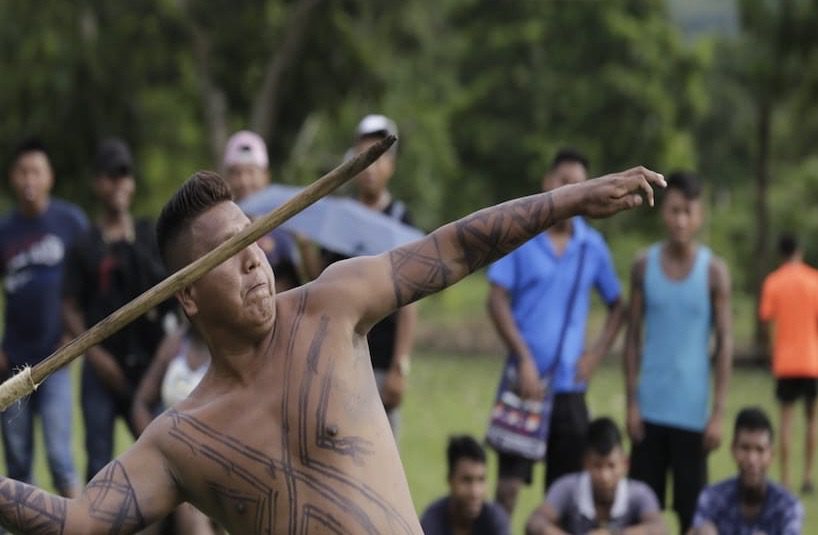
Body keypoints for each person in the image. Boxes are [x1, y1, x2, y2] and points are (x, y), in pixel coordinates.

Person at [0, 165, 664, 533]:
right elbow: (79, 523)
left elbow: (456, 247)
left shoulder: (333, 302)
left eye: (254, 239)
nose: (257, 261)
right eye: (229, 255)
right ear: (190, 297)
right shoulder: (180, 439)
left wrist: (568, 199)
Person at [487, 148, 625, 515]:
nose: (571, 190)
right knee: (508, 490)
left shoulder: (592, 246)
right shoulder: (521, 235)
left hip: (569, 389)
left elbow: (618, 305)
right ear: (547, 182)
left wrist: (595, 355)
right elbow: (496, 299)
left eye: (580, 184)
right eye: (564, 181)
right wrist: (523, 357)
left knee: (566, 494)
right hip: (525, 381)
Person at [624, 171, 733, 533]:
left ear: (699, 215)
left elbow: (725, 345)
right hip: (649, 413)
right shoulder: (643, 265)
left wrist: (717, 413)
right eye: (674, 211)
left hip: (692, 417)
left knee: (694, 520)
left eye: (688, 211)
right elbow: (633, 338)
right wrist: (631, 403)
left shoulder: (714, 272)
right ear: (662, 212)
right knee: (642, 516)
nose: (680, 220)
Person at [62, 138, 169, 482]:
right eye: (110, 175)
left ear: (132, 183)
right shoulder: (84, 243)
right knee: (99, 465)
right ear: (98, 183)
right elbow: (68, 306)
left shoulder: (147, 233)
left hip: (148, 365)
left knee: (163, 456)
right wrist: (94, 355)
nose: (118, 183)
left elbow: (167, 290)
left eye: (124, 175)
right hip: (101, 369)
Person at [0, 138, 88, 498]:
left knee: (60, 456)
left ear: (49, 176)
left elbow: (89, 281)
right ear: (12, 178)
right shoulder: (5, 232)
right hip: (12, 363)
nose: (29, 179)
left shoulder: (71, 222)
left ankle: (81, 523)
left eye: (36, 171)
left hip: (57, 358)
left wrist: (75, 333)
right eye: (22, 172)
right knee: (18, 461)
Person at [321, 114, 418, 440]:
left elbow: (410, 299)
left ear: (391, 165)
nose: (371, 168)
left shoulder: (401, 221)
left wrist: (400, 367)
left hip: (381, 357)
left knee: (381, 448)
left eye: (379, 159)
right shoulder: (340, 217)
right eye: (365, 158)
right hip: (340, 355)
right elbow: (321, 284)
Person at [131, 324, 217, 535]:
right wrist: (155, 445)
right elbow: (140, 403)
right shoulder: (175, 343)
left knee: (191, 514)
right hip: (165, 453)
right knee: (143, 511)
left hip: (207, 459)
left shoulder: (226, 347)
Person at [525, 417, 666, 534]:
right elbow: (535, 523)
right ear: (585, 463)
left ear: (624, 463)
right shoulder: (567, 487)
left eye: (611, 466)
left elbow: (659, 529)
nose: (605, 476)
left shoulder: (640, 494)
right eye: (597, 466)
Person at [759, 233, 818, 493]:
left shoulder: (773, 282)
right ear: (800, 250)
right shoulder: (814, 280)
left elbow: (769, 322)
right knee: (811, 420)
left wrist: (774, 354)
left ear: (780, 254)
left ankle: (784, 479)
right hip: (811, 361)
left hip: (785, 362)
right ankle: (807, 477)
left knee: (785, 422)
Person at [690, 407, 803, 534]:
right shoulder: (712, 497)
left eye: (760, 450)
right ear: (733, 449)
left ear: (771, 455)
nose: (751, 460)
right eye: (745, 448)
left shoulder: (787, 505)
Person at [223, 129, 305, 292]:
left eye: (251, 172)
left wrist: (305, 245)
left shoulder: (286, 220)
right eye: (237, 173)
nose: (244, 181)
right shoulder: (221, 226)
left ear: (265, 175)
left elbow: (303, 281)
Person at [420, 435, 510, 535]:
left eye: (481, 480)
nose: (475, 492)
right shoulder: (432, 520)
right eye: (466, 480)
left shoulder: (495, 519)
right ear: (450, 480)